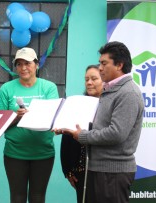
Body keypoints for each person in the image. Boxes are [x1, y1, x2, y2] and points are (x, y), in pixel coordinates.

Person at [54, 41, 144, 203]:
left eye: (104, 63)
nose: (100, 67)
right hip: (99, 170)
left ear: (119, 65)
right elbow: (98, 127)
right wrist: (67, 128)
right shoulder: (111, 91)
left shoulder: (128, 93)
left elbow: (116, 133)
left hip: (112, 173)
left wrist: (82, 136)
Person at [0, 47, 59, 203]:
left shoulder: (49, 88)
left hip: (43, 153)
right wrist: (17, 117)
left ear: (37, 65)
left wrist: (33, 115)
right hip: (15, 153)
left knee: (38, 197)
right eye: (19, 64)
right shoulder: (6, 89)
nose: (23, 68)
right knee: (17, 198)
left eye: (28, 63)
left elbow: (53, 117)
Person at [60, 64, 103, 203]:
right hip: (80, 170)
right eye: (86, 79)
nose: (89, 82)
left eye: (94, 79)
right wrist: (68, 171)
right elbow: (66, 139)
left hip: (103, 170)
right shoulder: (77, 104)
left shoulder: (110, 105)